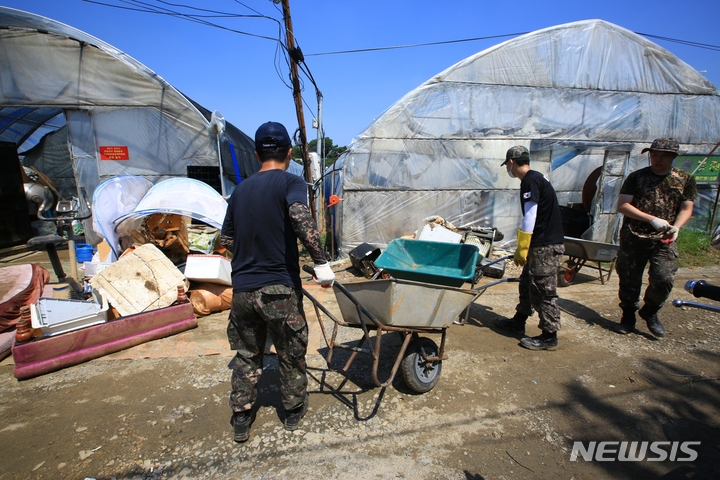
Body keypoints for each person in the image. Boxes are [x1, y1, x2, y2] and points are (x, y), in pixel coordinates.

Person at [220, 121, 335, 443]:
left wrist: (251, 254)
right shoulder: (291, 181)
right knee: (290, 351)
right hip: (278, 291)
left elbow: (225, 238)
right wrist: (321, 261)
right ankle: (292, 409)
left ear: (257, 153)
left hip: (242, 291)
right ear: (288, 152)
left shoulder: (239, 190)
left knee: (247, 354)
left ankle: (241, 416)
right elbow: (299, 216)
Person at [614, 137, 696, 337]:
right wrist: (651, 219)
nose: (657, 159)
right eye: (654, 155)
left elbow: (687, 207)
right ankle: (628, 315)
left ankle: (650, 311)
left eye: (663, 156)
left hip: (664, 239)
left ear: (673, 157)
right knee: (629, 279)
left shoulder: (684, 179)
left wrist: (676, 227)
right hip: (634, 236)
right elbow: (623, 205)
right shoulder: (637, 177)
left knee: (663, 278)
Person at [494, 146, 565, 350]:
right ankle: (519, 320)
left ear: (510, 163)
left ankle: (549, 336)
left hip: (545, 245)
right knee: (526, 283)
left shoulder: (529, 180)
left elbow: (531, 214)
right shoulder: (536, 177)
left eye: (507, 166)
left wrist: (522, 246)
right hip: (541, 242)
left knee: (543, 290)